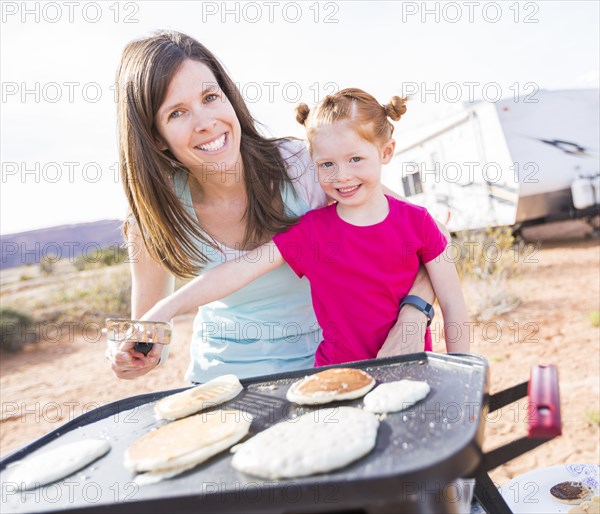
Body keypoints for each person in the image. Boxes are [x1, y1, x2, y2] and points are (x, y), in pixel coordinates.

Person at [106, 31, 443, 382]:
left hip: (330, 367)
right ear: (155, 137)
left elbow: (431, 237)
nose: (206, 122)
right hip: (221, 384)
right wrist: (131, 355)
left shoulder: (303, 165)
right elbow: (148, 330)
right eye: (177, 113)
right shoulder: (153, 216)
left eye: (210, 97)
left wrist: (411, 320)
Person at [140, 88, 470, 367]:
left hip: (411, 370)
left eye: (355, 159)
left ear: (386, 152)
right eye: (327, 164)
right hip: (336, 380)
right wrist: (164, 308)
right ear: (312, 163)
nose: (342, 176)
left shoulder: (419, 224)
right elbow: (235, 271)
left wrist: (462, 371)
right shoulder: (311, 232)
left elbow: (453, 303)